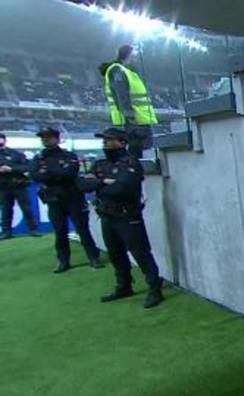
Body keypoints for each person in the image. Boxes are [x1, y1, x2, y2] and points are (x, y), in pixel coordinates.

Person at [78, 128, 163, 308]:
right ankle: (124, 285)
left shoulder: (130, 163)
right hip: (107, 216)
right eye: (104, 140)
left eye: (109, 140)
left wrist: (98, 185)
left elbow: (123, 189)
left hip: (127, 216)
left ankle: (155, 288)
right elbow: (82, 184)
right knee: (115, 254)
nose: (105, 143)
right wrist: (103, 182)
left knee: (141, 253)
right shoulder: (100, 164)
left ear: (122, 142)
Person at [31, 127, 102, 273]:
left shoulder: (69, 155)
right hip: (53, 199)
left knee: (82, 229)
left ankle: (93, 257)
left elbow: (70, 173)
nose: (45, 139)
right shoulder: (38, 158)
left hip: (73, 196)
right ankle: (63, 261)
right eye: (43, 137)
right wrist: (57, 173)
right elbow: (35, 176)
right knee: (60, 231)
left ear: (57, 139)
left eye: (49, 137)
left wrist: (48, 173)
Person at [99, 44, 158, 159]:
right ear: (128, 54)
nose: (136, 58)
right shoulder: (117, 70)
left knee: (142, 150)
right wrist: (130, 115)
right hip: (133, 121)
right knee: (138, 151)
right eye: (134, 54)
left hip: (139, 119)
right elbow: (121, 95)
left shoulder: (127, 71)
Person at [0, 132, 40, 238]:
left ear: (4, 140)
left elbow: (27, 167)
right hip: (3, 187)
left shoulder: (16, 154)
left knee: (26, 208)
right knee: (6, 210)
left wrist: (11, 169)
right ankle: (6, 232)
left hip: (19, 184)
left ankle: (33, 229)